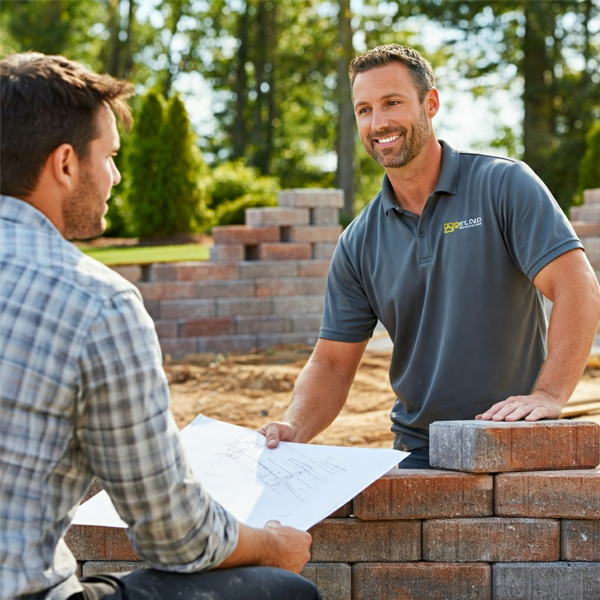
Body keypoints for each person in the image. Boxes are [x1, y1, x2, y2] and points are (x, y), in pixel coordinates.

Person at [0, 52, 321, 600]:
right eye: (109, 157)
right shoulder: (95, 301)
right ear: (65, 165)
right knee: (281, 592)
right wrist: (272, 546)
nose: (117, 176)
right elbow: (178, 536)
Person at [260, 44, 600, 469]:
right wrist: (296, 426)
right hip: (420, 450)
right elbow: (331, 362)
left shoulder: (503, 185)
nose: (378, 122)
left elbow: (577, 286)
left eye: (392, 103)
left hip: (518, 436)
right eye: (364, 110)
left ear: (430, 103)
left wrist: (548, 395)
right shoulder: (358, 241)